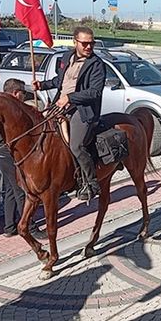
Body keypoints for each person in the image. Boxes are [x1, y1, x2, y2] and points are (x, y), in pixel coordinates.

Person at [32, 26, 106, 201]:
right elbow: (60, 80)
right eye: (85, 44)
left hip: (83, 110)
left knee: (76, 146)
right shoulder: (66, 57)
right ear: (75, 42)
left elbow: (95, 92)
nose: (89, 47)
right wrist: (42, 85)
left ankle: (91, 182)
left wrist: (70, 98)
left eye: (91, 43)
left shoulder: (97, 64)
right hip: (59, 106)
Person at [0, 79, 45, 238]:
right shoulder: (11, 110)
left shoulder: (1, 107)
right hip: (10, 155)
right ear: (16, 94)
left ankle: (9, 227)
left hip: (1, 155)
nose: (24, 97)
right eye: (23, 94)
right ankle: (30, 227)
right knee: (20, 190)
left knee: (10, 190)